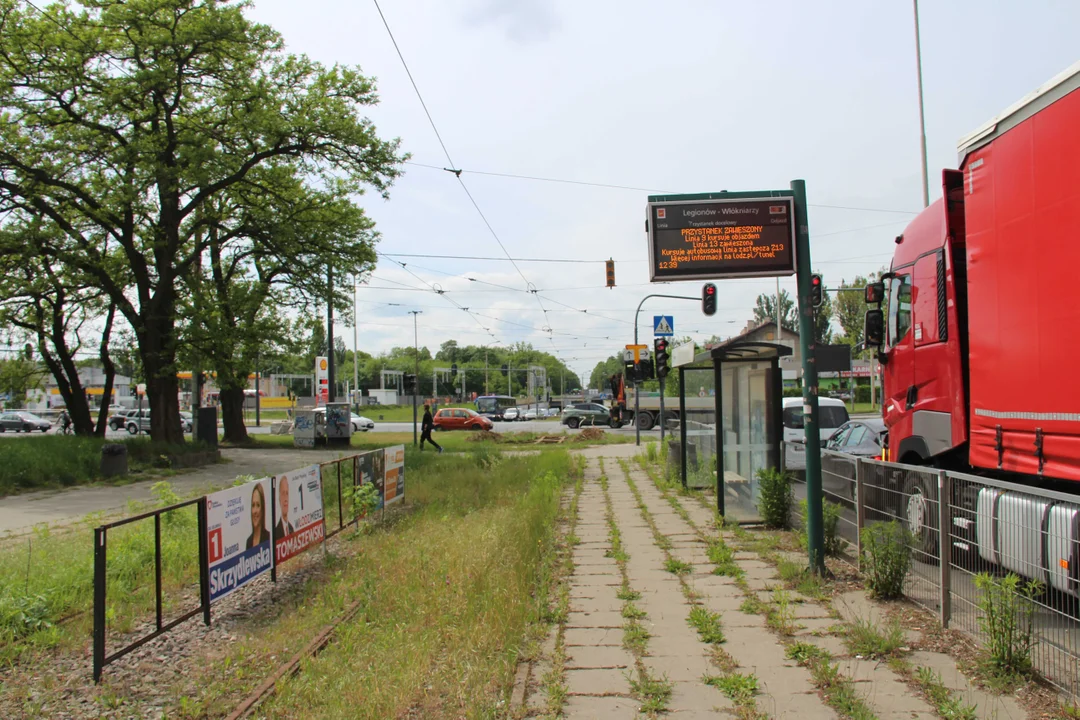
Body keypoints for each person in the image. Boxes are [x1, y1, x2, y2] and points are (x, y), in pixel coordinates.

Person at [245, 483, 269, 549]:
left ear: (262, 509)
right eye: (253, 505)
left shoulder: (268, 537)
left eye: (258, 505)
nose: (255, 511)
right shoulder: (248, 541)